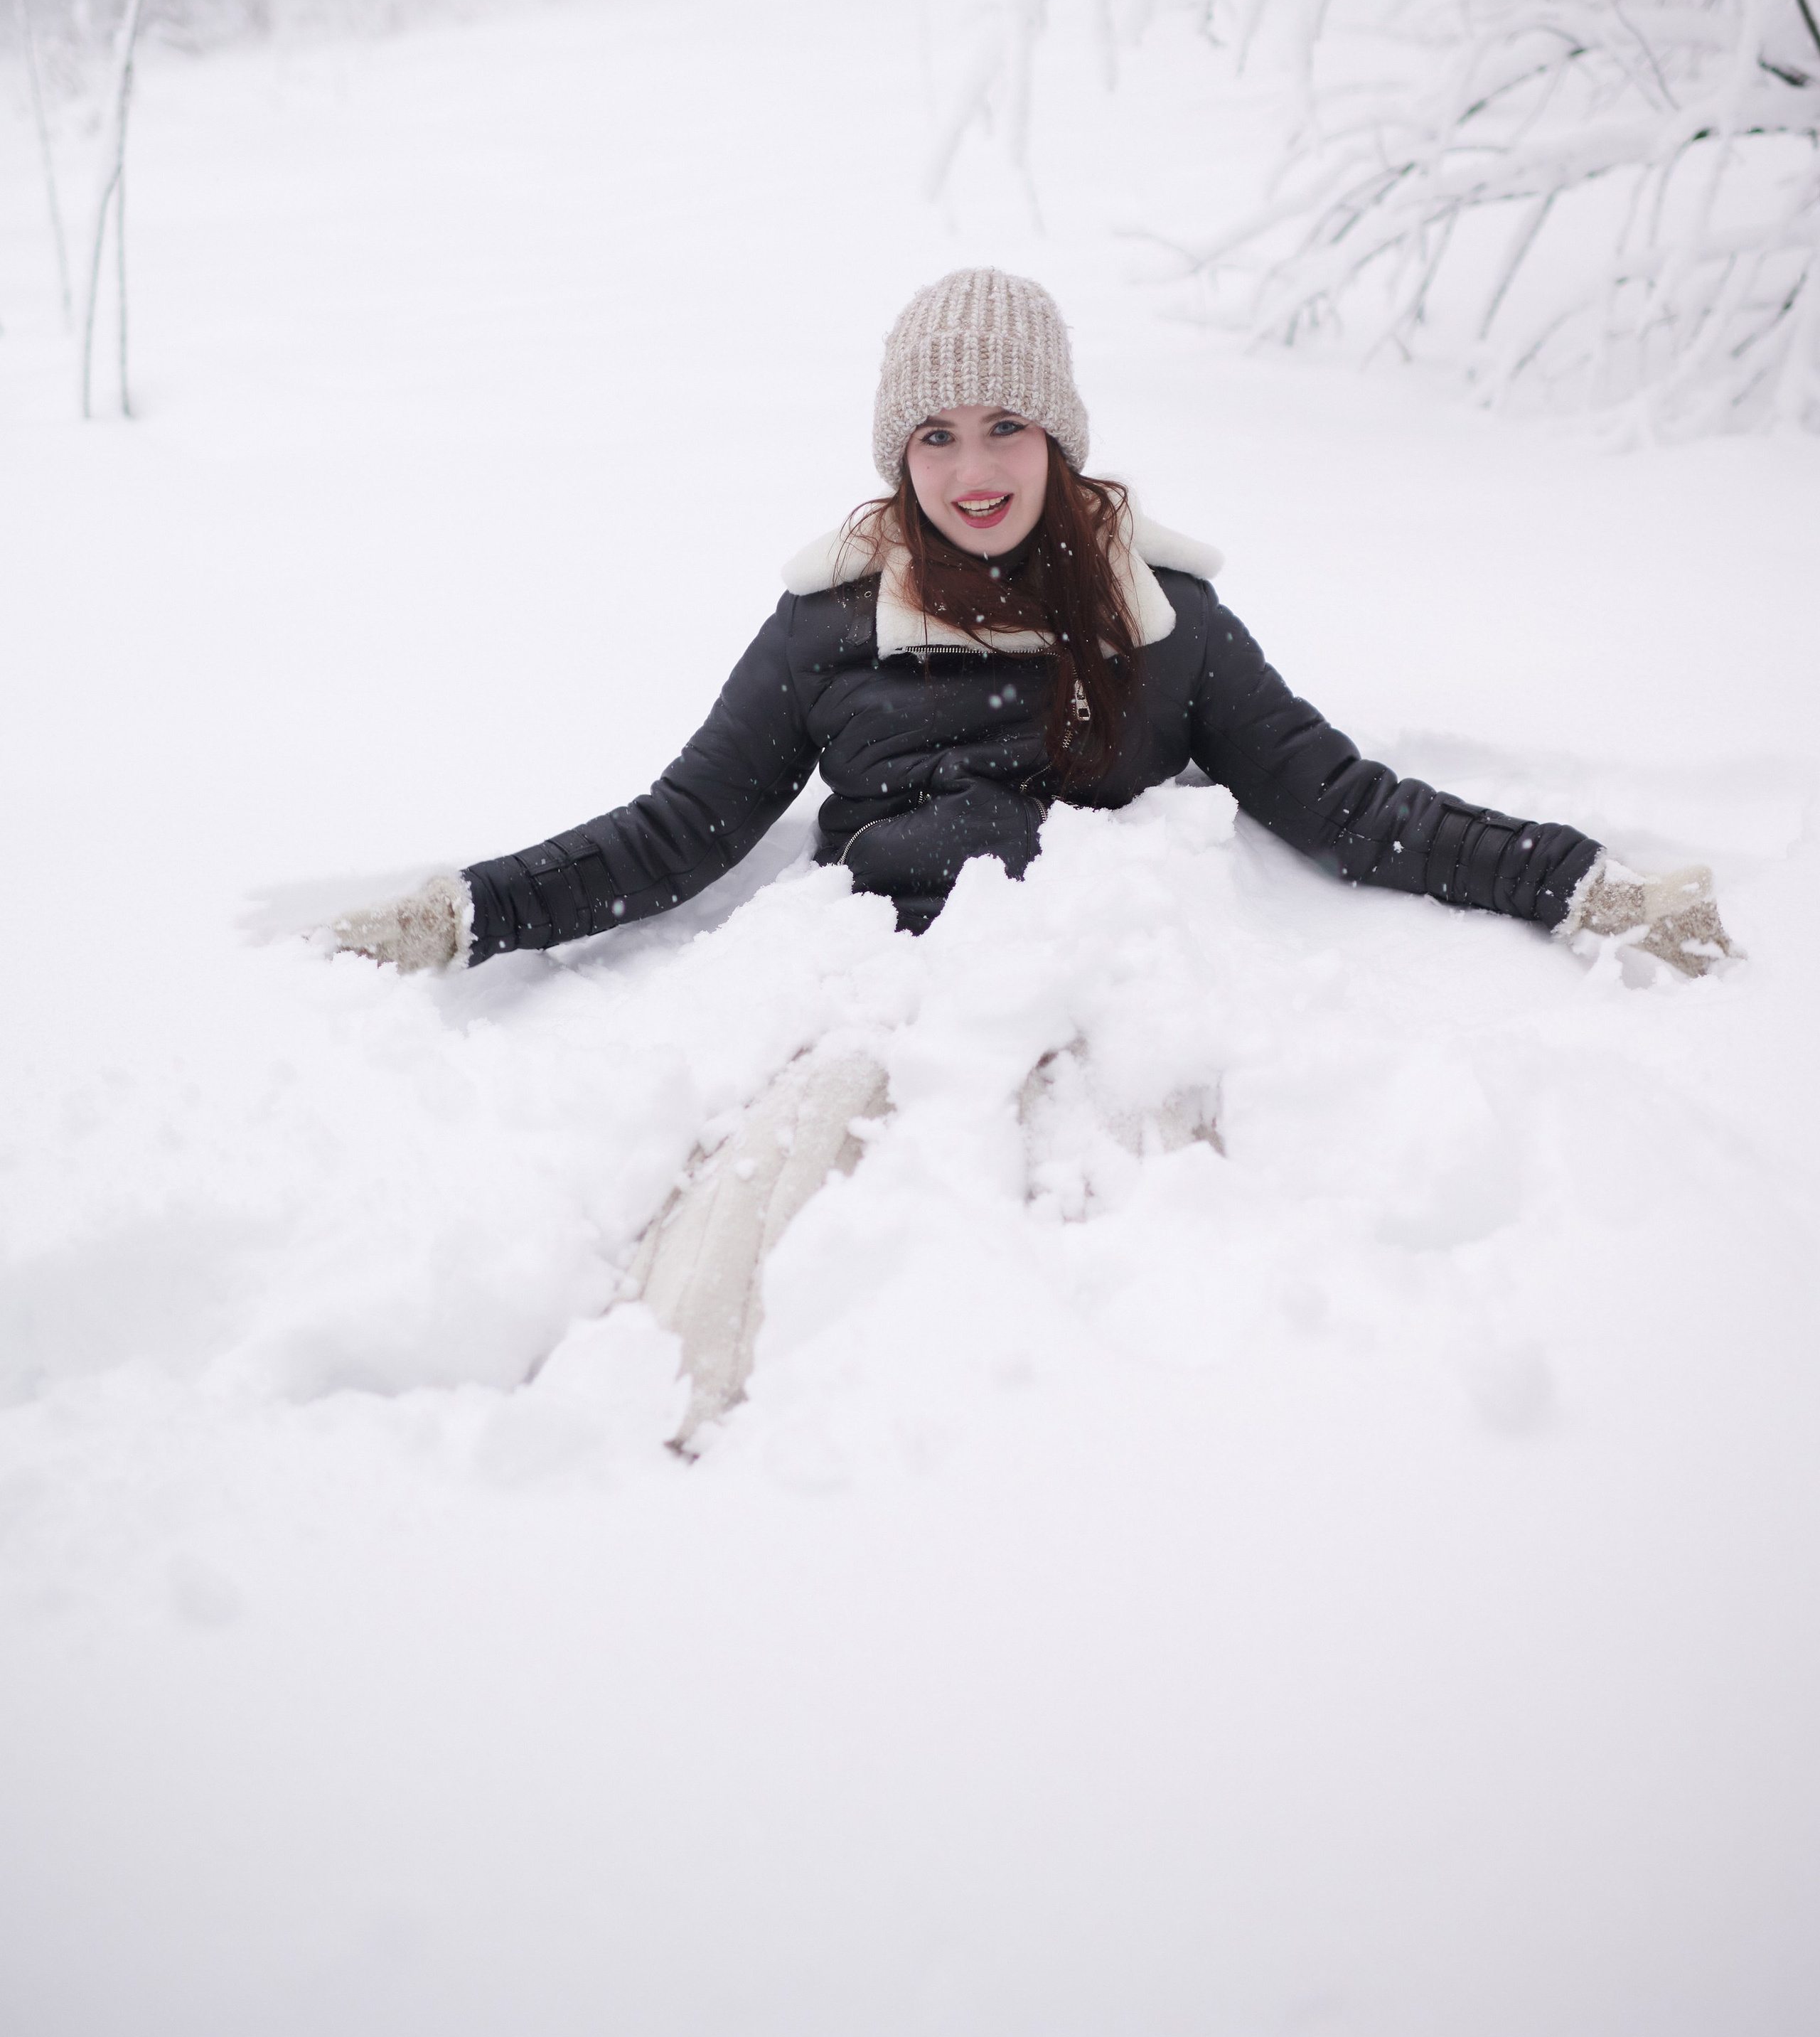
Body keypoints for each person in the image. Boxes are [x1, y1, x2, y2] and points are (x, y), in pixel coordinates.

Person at [334, 268, 1736, 1440]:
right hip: (878, 995)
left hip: (1096, 999)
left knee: (1114, 1322)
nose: (971, 468)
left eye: (1004, 425)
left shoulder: (1164, 619)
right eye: (932, 436)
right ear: (897, 455)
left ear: (1057, 435)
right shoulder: (826, 627)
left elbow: (1342, 802)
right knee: (718, 1293)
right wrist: (464, 913)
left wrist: (1577, 885)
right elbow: (678, 830)